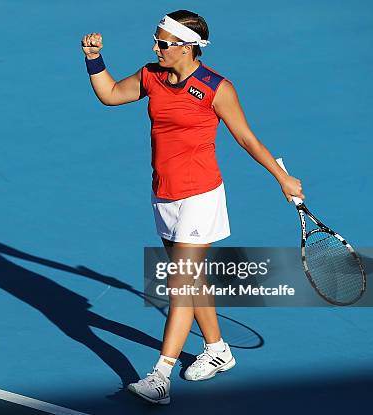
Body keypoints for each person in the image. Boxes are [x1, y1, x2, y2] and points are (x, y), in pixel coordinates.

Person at [80, 10, 304, 404]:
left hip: (200, 195)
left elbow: (246, 139)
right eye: (155, 40)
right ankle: (218, 350)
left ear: (186, 47)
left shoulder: (217, 88)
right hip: (163, 193)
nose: (155, 48)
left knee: (179, 281)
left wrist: (281, 177)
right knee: (192, 279)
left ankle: (161, 377)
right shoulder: (151, 75)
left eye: (162, 43)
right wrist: (93, 59)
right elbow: (111, 94)